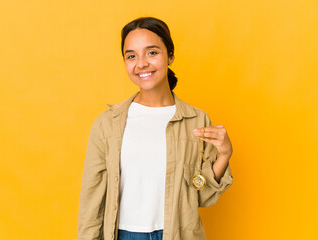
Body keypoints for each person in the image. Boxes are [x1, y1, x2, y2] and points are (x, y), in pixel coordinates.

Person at [76, 16, 234, 240]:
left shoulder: (196, 120)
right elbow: (92, 198)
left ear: (170, 56)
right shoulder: (107, 123)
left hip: (177, 234)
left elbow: (203, 195)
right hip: (123, 235)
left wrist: (225, 154)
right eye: (131, 56)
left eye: (152, 52)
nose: (141, 63)